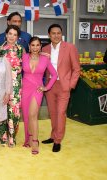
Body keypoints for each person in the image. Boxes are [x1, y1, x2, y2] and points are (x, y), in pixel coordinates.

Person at [42, 24, 80, 152]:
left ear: (61, 34)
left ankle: (58, 140)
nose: (56, 35)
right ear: (49, 35)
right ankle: (53, 136)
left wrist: (71, 85)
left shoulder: (70, 48)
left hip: (64, 86)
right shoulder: (45, 49)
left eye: (59, 33)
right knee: (53, 113)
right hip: (50, 86)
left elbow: (76, 69)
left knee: (60, 113)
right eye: (53, 33)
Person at [21, 36, 57, 154]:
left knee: (33, 114)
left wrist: (46, 87)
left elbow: (54, 75)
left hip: (37, 89)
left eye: (37, 45)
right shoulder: (24, 57)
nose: (35, 47)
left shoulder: (45, 59)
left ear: (40, 46)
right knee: (27, 115)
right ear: (29, 47)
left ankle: (35, 141)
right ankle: (29, 138)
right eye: (33, 45)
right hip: (25, 89)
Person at [0, 25, 23, 147]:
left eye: (15, 34)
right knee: (1, 110)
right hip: (1, 84)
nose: (12, 36)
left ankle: (12, 136)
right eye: (10, 33)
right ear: (6, 34)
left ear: (17, 37)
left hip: (16, 85)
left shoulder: (21, 49)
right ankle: (2, 136)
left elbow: (28, 62)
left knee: (14, 112)